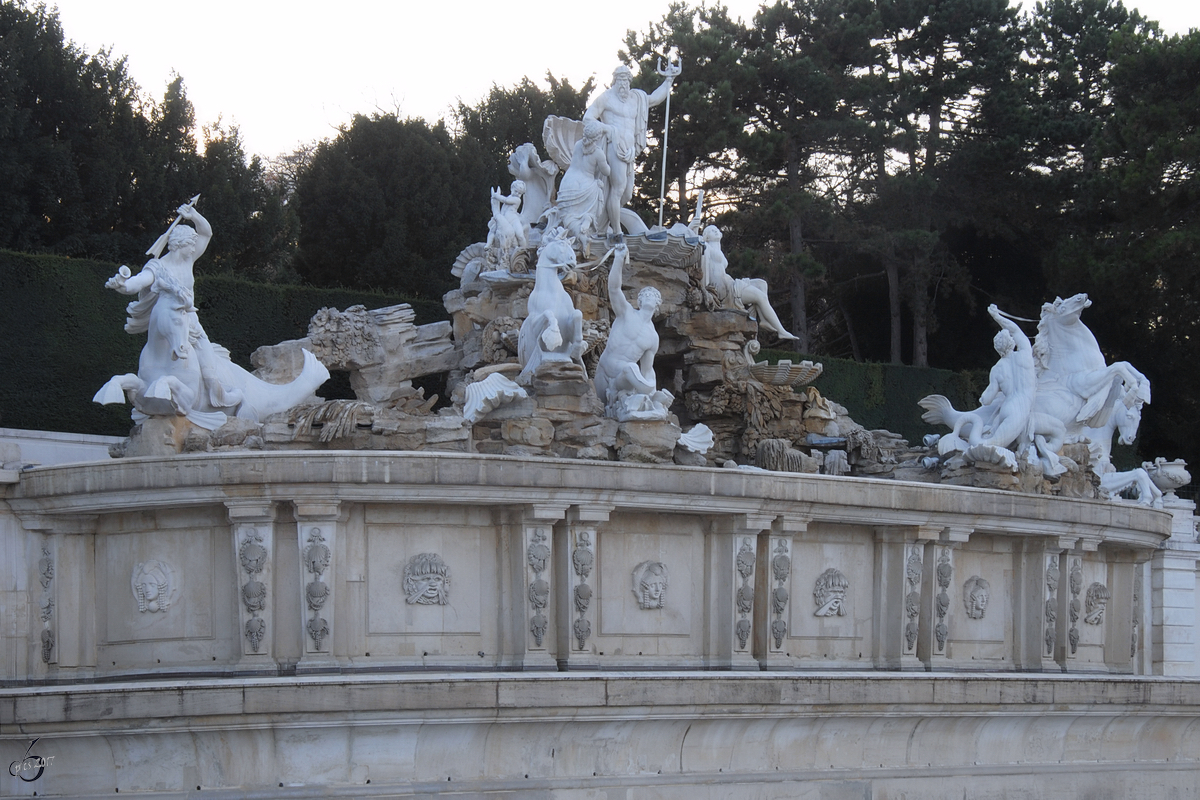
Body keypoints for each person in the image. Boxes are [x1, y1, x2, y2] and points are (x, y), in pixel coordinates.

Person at [105, 203, 241, 410]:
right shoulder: (158, 267)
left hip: (191, 324)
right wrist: (123, 285)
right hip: (169, 320)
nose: (195, 249)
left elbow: (206, 232)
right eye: (191, 245)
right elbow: (138, 282)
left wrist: (194, 215)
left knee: (208, 365)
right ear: (179, 244)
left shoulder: (189, 260)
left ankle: (219, 394)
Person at [583, 65, 676, 235]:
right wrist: (607, 129)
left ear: (630, 82)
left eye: (626, 80)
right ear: (614, 81)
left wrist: (668, 80)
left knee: (626, 195)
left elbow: (655, 99)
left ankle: (604, 223)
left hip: (629, 151)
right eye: (620, 80)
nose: (623, 84)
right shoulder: (606, 98)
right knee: (618, 190)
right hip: (613, 146)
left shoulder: (636, 98)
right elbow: (587, 118)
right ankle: (617, 233)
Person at [594, 240, 670, 417]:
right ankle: (647, 395)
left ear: (658, 305)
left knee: (631, 368)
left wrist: (652, 393)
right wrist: (619, 258)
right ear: (640, 300)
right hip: (604, 370)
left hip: (623, 378)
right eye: (646, 294)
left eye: (654, 295)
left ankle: (649, 397)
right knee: (597, 412)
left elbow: (647, 370)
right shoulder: (626, 312)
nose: (650, 296)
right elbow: (613, 289)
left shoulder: (653, 337)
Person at [700, 226, 798, 340]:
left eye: (716, 229)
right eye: (712, 230)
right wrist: (695, 225)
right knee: (760, 297)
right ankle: (781, 331)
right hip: (725, 290)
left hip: (729, 281)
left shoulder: (718, 249)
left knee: (762, 284)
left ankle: (764, 320)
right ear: (706, 236)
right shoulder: (707, 247)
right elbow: (696, 242)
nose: (716, 231)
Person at [977, 304, 1036, 451]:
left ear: (997, 348)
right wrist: (997, 316)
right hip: (1021, 407)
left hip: (1007, 407)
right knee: (992, 445)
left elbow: (987, 399)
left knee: (990, 443)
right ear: (1012, 342)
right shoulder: (1025, 354)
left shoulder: (996, 369)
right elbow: (1015, 330)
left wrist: (983, 397)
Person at [555, 121, 611, 242]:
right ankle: (587, 219)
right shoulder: (598, 153)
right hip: (585, 186)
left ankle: (576, 230)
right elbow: (606, 172)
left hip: (568, 183)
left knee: (567, 216)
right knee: (598, 188)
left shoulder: (578, 145)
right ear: (598, 137)